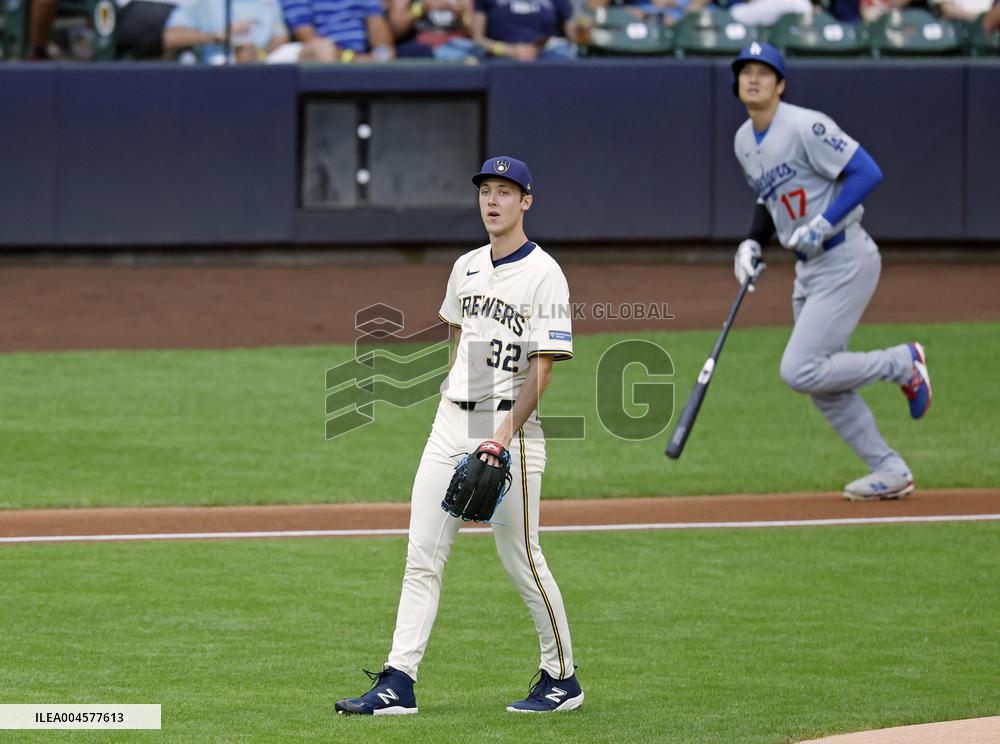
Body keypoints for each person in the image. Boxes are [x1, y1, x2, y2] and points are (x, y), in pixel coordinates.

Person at [335, 156, 584, 715]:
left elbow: (544, 367)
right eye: (485, 191)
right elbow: (457, 334)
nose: (492, 200)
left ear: (527, 201)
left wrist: (498, 435)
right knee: (422, 554)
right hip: (450, 419)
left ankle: (562, 677)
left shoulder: (546, 273)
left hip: (508, 427)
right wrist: (455, 398)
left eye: (505, 191)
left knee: (521, 556)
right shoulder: (466, 266)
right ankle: (399, 681)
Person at [729, 42, 932, 502]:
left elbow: (866, 171)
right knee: (824, 384)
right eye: (746, 71)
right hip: (810, 270)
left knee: (800, 369)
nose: (753, 78)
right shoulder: (744, 140)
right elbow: (769, 197)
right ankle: (890, 469)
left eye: (764, 72)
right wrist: (751, 242)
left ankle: (902, 362)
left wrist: (824, 221)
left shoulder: (805, 125)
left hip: (845, 257)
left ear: (781, 84)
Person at [163, 0, 289, 62]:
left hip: (262, 65)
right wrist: (218, 37)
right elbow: (170, 38)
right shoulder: (199, 3)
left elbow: (280, 37)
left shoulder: (267, 2)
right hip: (215, 69)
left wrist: (261, 54)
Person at [275, 0, 395, 62]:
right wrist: (352, 58)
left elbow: (376, 22)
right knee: (322, 49)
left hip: (362, 56)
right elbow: (306, 36)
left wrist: (381, 52)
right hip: (321, 58)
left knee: (386, 52)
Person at [472, 0, 585, 60]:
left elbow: (575, 35)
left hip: (547, 54)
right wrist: (510, 50)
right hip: (502, 56)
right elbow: (478, 39)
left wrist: (582, 29)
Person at [386, 0, 479, 60]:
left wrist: (462, 15)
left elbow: (475, 34)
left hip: (458, 46)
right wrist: (421, 8)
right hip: (421, 47)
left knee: (475, 52)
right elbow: (395, 29)